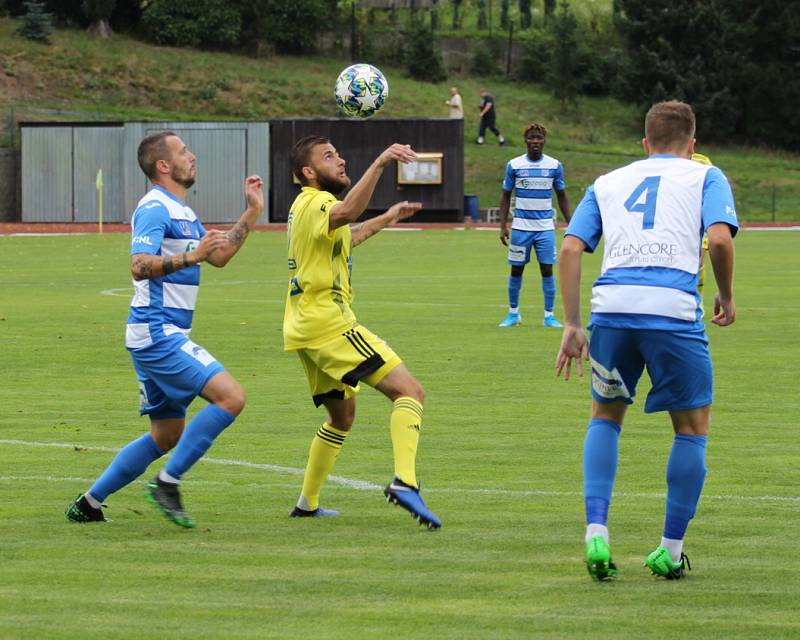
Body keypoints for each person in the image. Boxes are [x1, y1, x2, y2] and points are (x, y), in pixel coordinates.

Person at [555, 101, 738, 581]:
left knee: (605, 417)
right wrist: (726, 293)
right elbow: (719, 240)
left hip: (611, 308)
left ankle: (597, 531)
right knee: (691, 430)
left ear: (644, 143)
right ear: (692, 144)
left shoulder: (607, 181)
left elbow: (571, 246)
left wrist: (573, 324)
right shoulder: (707, 176)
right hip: (672, 307)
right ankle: (670, 551)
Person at [65, 131, 264, 528]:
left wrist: (252, 211)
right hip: (158, 333)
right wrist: (192, 256)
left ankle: (89, 503)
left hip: (157, 334)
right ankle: (167, 484)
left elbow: (218, 255)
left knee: (166, 434)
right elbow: (139, 264)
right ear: (163, 165)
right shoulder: (155, 207)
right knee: (231, 398)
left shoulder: (183, 211)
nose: (192, 156)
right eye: (183, 152)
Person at [284, 135, 441, 529]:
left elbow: (348, 236)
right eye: (329, 156)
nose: (339, 161)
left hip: (304, 326)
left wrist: (387, 217)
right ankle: (406, 482)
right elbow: (348, 211)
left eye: (338, 153)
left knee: (342, 417)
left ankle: (307, 503)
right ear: (308, 172)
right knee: (410, 391)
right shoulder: (318, 202)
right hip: (329, 322)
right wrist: (382, 161)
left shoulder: (307, 208)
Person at [498, 123, 571, 328]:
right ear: (525, 140)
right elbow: (505, 196)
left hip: (545, 228)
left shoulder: (554, 166)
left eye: (539, 137)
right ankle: (513, 314)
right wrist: (503, 225)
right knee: (516, 270)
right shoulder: (514, 165)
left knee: (547, 270)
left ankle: (549, 316)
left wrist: (572, 224)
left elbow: (562, 196)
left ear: (544, 140)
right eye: (531, 138)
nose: (535, 141)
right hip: (520, 228)